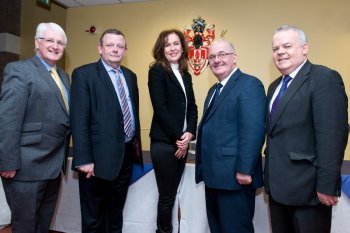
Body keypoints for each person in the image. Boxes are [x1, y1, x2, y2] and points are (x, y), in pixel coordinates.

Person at [264, 25, 348, 233]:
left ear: (304, 48)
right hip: (277, 190)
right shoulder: (274, 86)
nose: (280, 52)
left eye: (287, 46)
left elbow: (332, 136)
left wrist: (327, 186)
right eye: (275, 48)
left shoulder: (324, 78)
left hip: (309, 192)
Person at [70, 28, 143, 233]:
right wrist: (84, 158)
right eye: (110, 45)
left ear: (125, 51)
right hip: (96, 160)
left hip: (125, 157)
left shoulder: (130, 76)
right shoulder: (84, 74)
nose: (115, 50)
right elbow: (79, 119)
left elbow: (130, 112)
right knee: (94, 219)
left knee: (115, 215)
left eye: (120, 46)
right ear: (100, 48)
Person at [0, 22, 70, 233]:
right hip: (25, 168)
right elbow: (8, 119)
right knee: (25, 226)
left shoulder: (64, 76)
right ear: (37, 43)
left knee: (43, 225)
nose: (55, 46)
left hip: (53, 166)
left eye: (60, 42)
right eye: (49, 40)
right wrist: (8, 162)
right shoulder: (20, 70)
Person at [195, 39, 266, 233]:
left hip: (235, 178)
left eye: (222, 54)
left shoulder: (249, 84)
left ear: (234, 58)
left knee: (236, 229)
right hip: (214, 177)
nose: (217, 60)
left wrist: (245, 169)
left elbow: (253, 131)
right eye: (212, 57)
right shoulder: (214, 90)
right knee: (217, 228)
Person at [148, 29, 198, 233]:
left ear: (182, 47)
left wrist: (190, 133)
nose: (172, 48)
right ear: (161, 49)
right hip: (164, 144)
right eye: (167, 44)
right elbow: (160, 108)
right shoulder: (157, 71)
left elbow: (192, 107)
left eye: (176, 43)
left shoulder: (185, 74)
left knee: (173, 193)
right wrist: (180, 138)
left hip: (181, 143)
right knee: (167, 197)